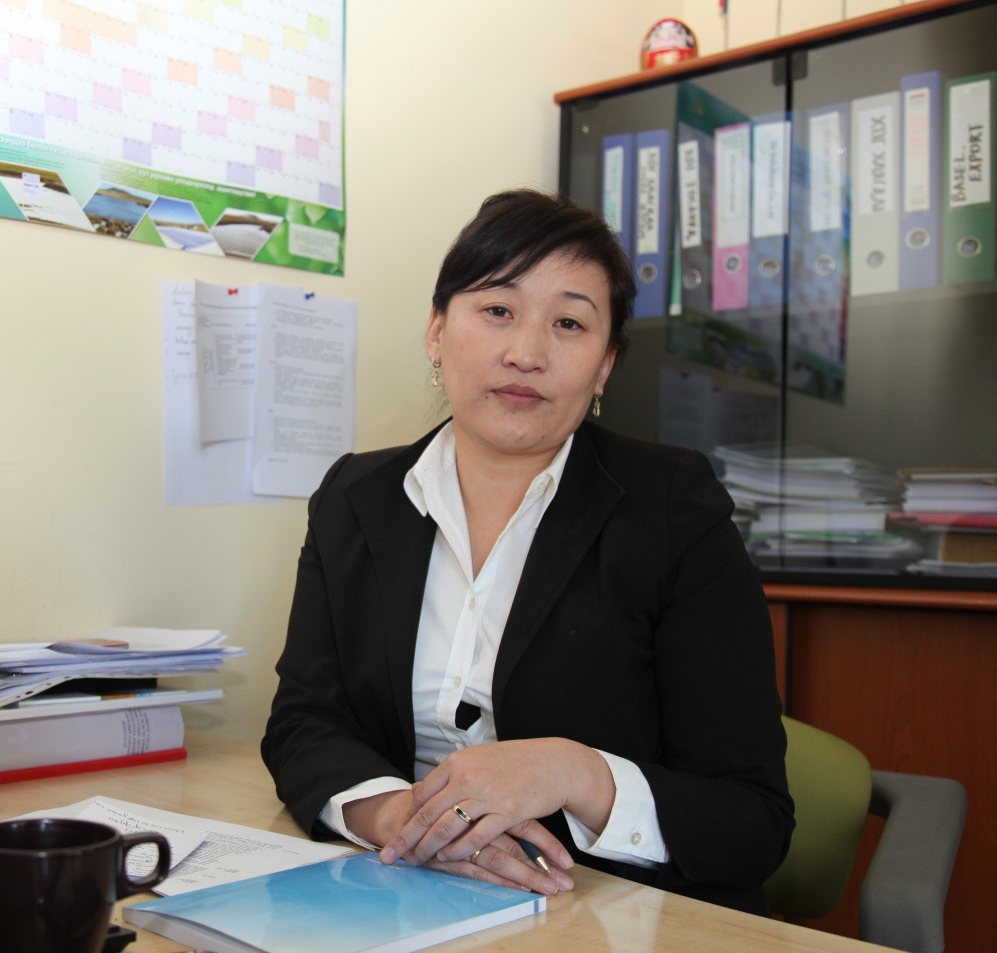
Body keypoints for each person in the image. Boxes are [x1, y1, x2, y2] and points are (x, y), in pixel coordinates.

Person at [260, 188, 793, 916]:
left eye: (569, 323)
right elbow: (304, 722)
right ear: (437, 332)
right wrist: (402, 818)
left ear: (604, 367)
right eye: (498, 310)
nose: (526, 353)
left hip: (610, 912)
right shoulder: (356, 497)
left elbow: (752, 820)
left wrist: (577, 773)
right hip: (404, 891)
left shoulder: (675, 508)